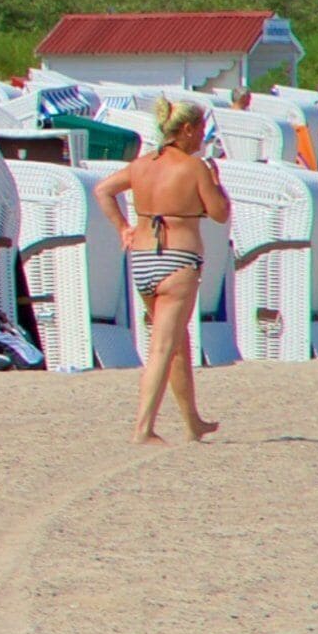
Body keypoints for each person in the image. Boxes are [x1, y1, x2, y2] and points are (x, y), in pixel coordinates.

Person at [96, 98, 232, 445]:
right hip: (178, 260)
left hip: (142, 259)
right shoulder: (194, 167)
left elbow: (103, 190)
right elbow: (219, 213)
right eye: (201, 128)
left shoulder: (142, 164)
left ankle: (192, 422)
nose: (203, 135)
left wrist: (123, 228)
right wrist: (217, 185)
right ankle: (143, 428)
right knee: (163, 346)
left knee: (177, 343)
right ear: (186, 129)